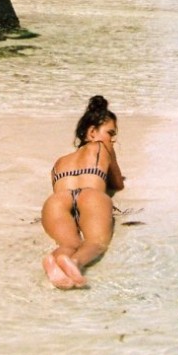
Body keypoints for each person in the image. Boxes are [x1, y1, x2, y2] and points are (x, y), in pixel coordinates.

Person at [41, 94, 125, 288]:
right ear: (92, 132)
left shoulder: (60, 161)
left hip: (57, 200)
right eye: (110, 133)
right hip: (91, 196)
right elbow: (118, 183)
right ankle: (76, 264)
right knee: (95, 243)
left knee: (69, 243)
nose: (113, 139)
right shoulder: (102, 147)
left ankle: (57, 260)